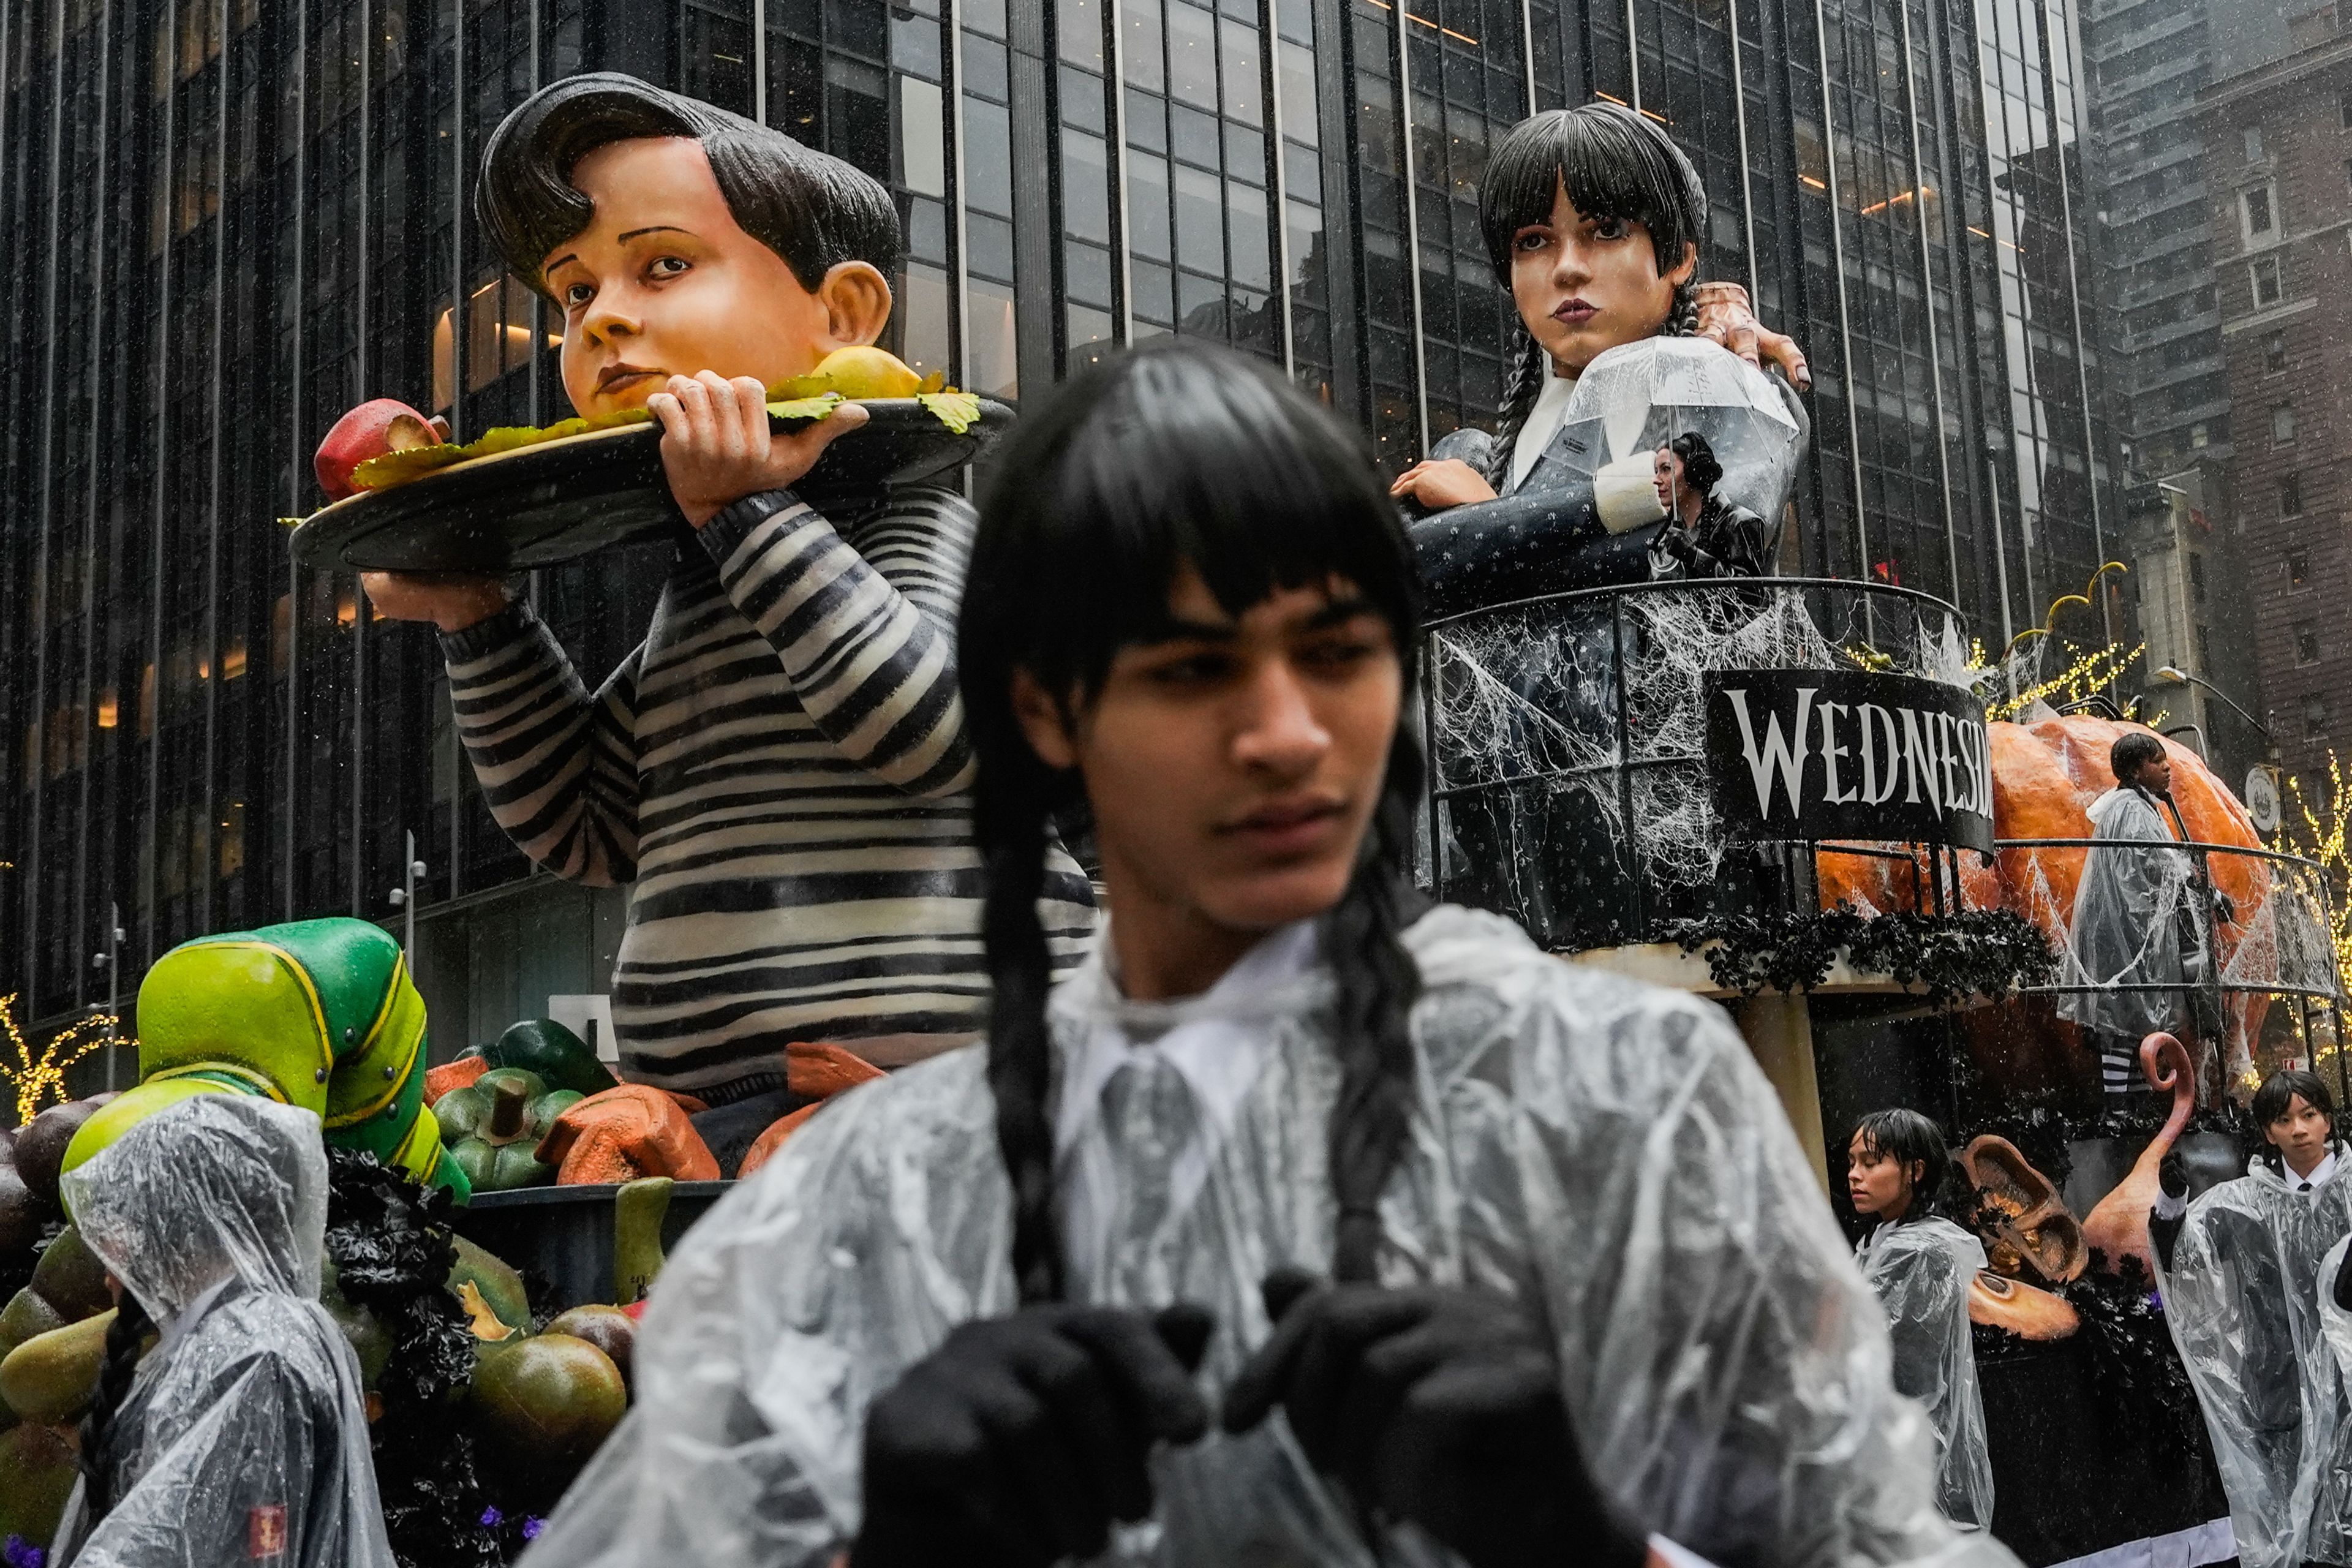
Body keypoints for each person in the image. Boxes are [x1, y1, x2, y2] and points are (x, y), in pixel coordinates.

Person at [517, 341, 2013, 1568]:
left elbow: (1887, 1542)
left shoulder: (1623, 1097)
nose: (1289, 730)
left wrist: (1598, 1545)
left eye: (1339, 649)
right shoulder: (869, 1198)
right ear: (1045, 710)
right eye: (1192, 667)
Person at [361, 75, 1095, 1127]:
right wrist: (479, 617)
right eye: (575, 293)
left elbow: (941, 730)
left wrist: (750, 520)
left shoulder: (919, 529)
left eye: (663, 264)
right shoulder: (712, 581)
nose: (606, 317)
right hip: (708, 1116)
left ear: (841, 313)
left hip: (961, 1098)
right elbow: (586, 827)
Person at [1389, 104, 1807, 616]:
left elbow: (1705, 567)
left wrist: (1484, 520)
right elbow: (1405, 575)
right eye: (1534, 241)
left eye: (1607, 230)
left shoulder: (1736, 393)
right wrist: (1627, 501)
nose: (1567, 268)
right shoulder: (1475, 457)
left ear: (1680, 259)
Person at [48, 1095, 393, 1568]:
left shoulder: (254, 1351)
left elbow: (193, 1547)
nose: (109, 1251)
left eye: (129, 1222)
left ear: (184, 1223)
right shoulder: (241, 1337)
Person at [2151, 1069, 2352, 1568]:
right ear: (2267, 1132)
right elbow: (2180, 1255)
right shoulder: (2244, 1205)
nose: (2300, 1129)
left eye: (2309, 1115)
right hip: (2277, 1384)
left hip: (2349, 1384)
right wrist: (2171, 1200)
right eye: (2284, 1119)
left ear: (2329, 1120)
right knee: (2290, 1526)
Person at [2059, 731, 2232, 1108]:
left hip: (2127, 931)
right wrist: (2211, 895)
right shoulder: (2133, 811)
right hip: (2124, 936)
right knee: (2123, 1021)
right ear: (2138, 770)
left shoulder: (2133, 808)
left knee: (2134, 1024)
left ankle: (2132, 1110)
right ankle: (2120, 1111)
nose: (2167, 767)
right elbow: (2155, 868)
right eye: (2157, 761)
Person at [1847, 1109, 1995, 1533]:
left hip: (1908, 1450)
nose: (1856, 1175)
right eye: (1852, 1163)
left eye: (1871, 1163)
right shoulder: (1882, 1241)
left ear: (1915, 1170)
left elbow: (1899, 1370)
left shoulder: (1917, 1252)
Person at [1648, 431, 1769, 580]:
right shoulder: (1667, 537)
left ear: (1693, 472)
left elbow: (1750, 595)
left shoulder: (1739, 523)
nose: (1656, 480)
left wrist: (1694, 556)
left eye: (1666, 469)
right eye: (1656, 471)